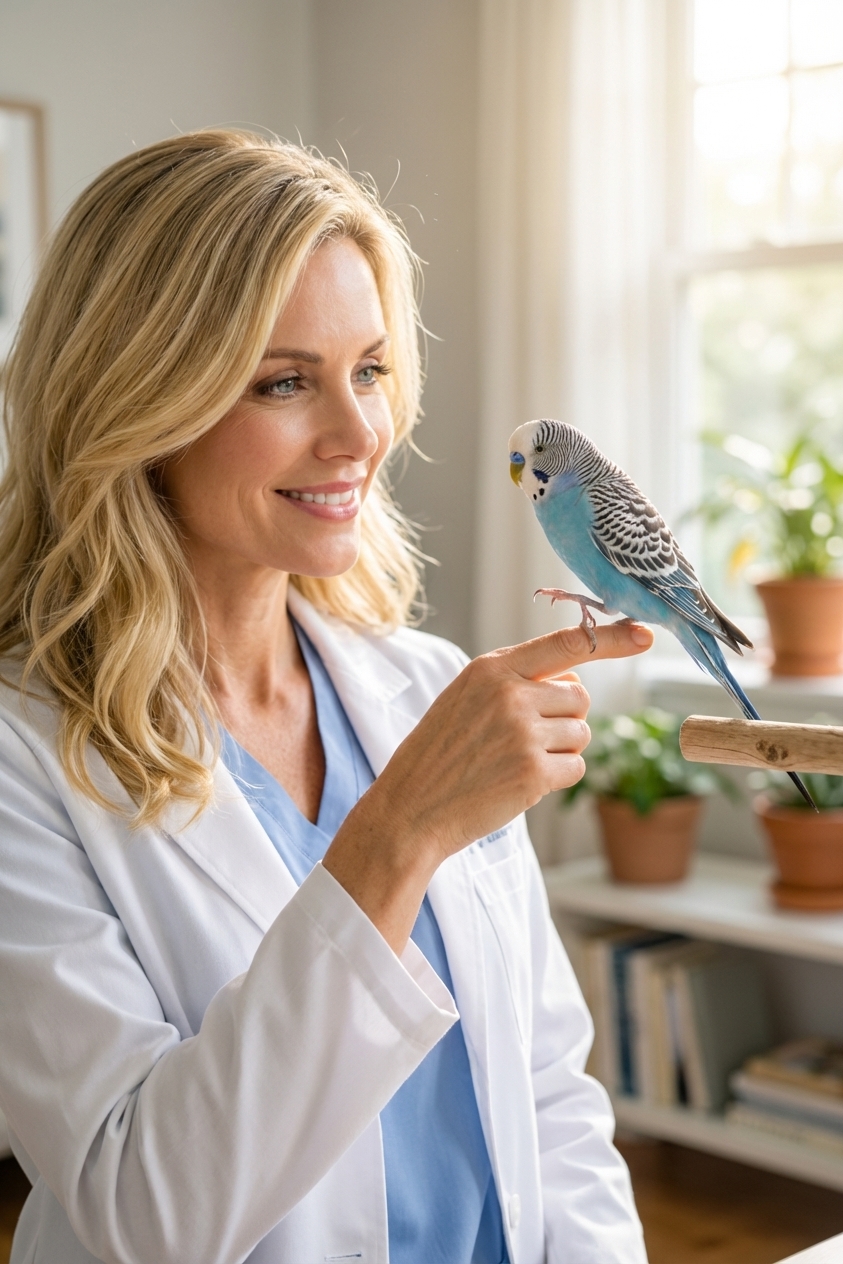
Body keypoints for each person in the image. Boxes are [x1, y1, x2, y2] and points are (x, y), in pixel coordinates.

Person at [0, 130, 652, 1264]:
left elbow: (550, 1094)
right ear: (142, 400)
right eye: (285, 381)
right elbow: (144, 1209)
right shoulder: (23, 756)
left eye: (370, 368)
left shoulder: (424, 688)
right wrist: (399, 833)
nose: (362, 435)